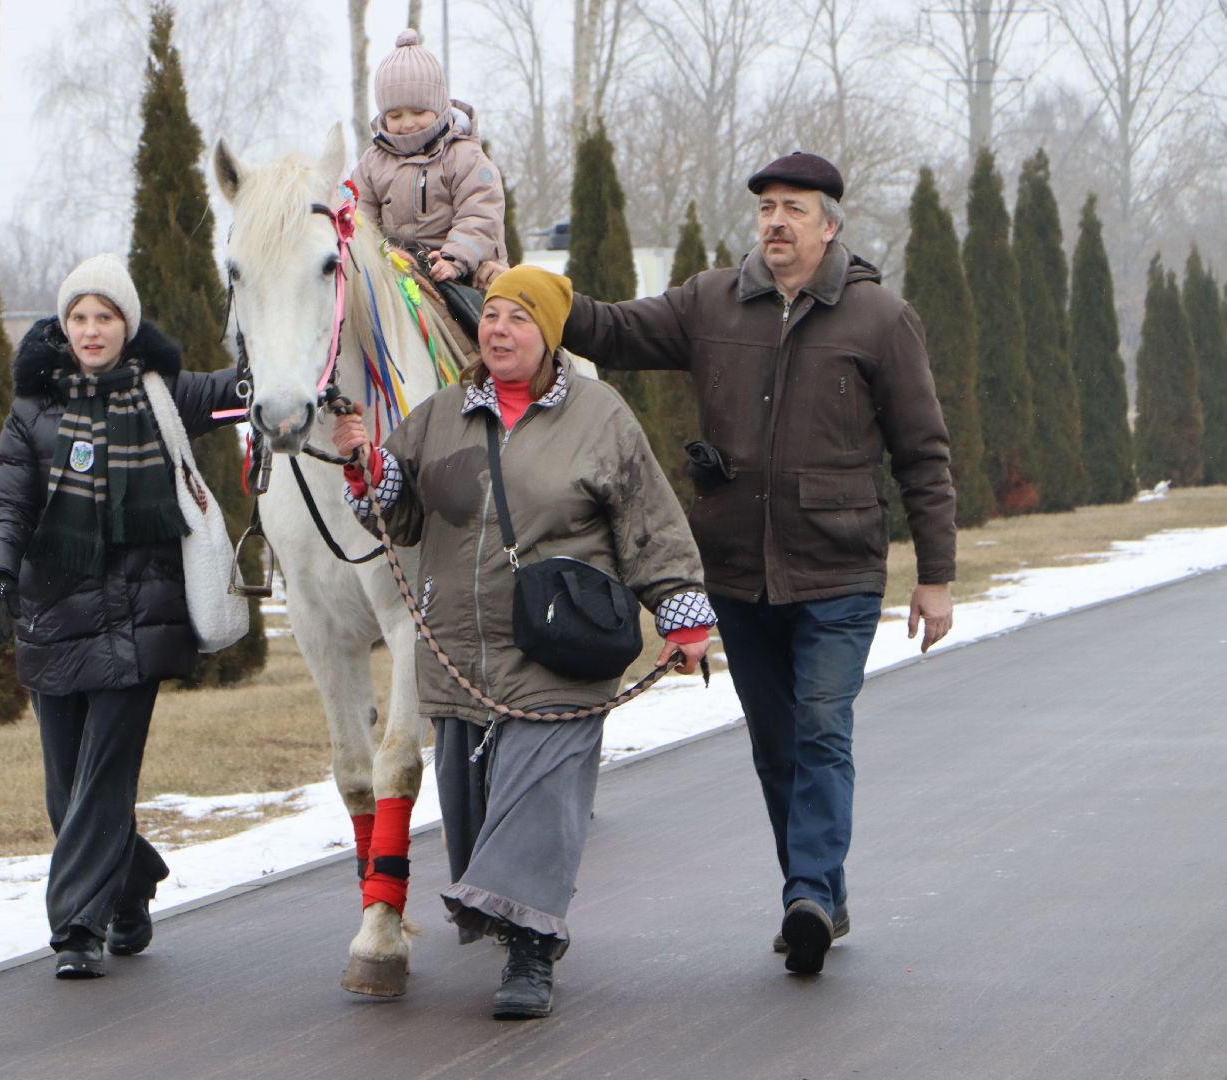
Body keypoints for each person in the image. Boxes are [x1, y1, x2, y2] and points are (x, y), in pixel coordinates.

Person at [560, 152, 957, 975]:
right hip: (737, 570)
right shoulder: (710, 302)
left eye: (795, 209)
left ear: (830, 225)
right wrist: (517, 291)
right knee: (776, 742)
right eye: (767, 207)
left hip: (838, 571)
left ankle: (806, 893)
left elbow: (923, 454)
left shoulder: (880, 318)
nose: (776, 221)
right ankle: (820, 892)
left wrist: (935, 573)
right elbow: (609, 329)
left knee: (821, 725)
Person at [331, 265, 717, 1019]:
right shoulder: (441, 414)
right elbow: (400, 515)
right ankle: (514, 929)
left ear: (549, 336)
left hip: (560, 651)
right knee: (477, 822)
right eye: (493, 316)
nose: (500, 330)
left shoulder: (600, 416)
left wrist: (684, 619)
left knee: (537, 801)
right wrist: (367, 466)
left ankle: (533, 954)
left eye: (519, 318)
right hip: (460, 655)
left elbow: (652, 526)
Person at [0, 253, 244, 979]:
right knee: (67, 793)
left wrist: (272, 323)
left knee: (101, 779)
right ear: (64, 327)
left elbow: (241, 393)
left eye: (106, 316)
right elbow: (9, 503)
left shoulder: (164, 395)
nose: (92, 330)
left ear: (128, 324)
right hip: (53, 613)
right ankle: (132, 883)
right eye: (80, 317)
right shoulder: (32, 409)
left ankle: (76, 930)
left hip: (138, 621)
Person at [350, 29, 508, 288]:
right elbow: (358, 219)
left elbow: (480, 214)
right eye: (395, 115)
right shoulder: (371, 164)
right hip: (396, 271)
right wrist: (380, 251)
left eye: (419, 111)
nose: (407, 123)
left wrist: (453, 258)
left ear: (439, 107)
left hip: (464, 273)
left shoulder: (463, 156)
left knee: (472, 324)